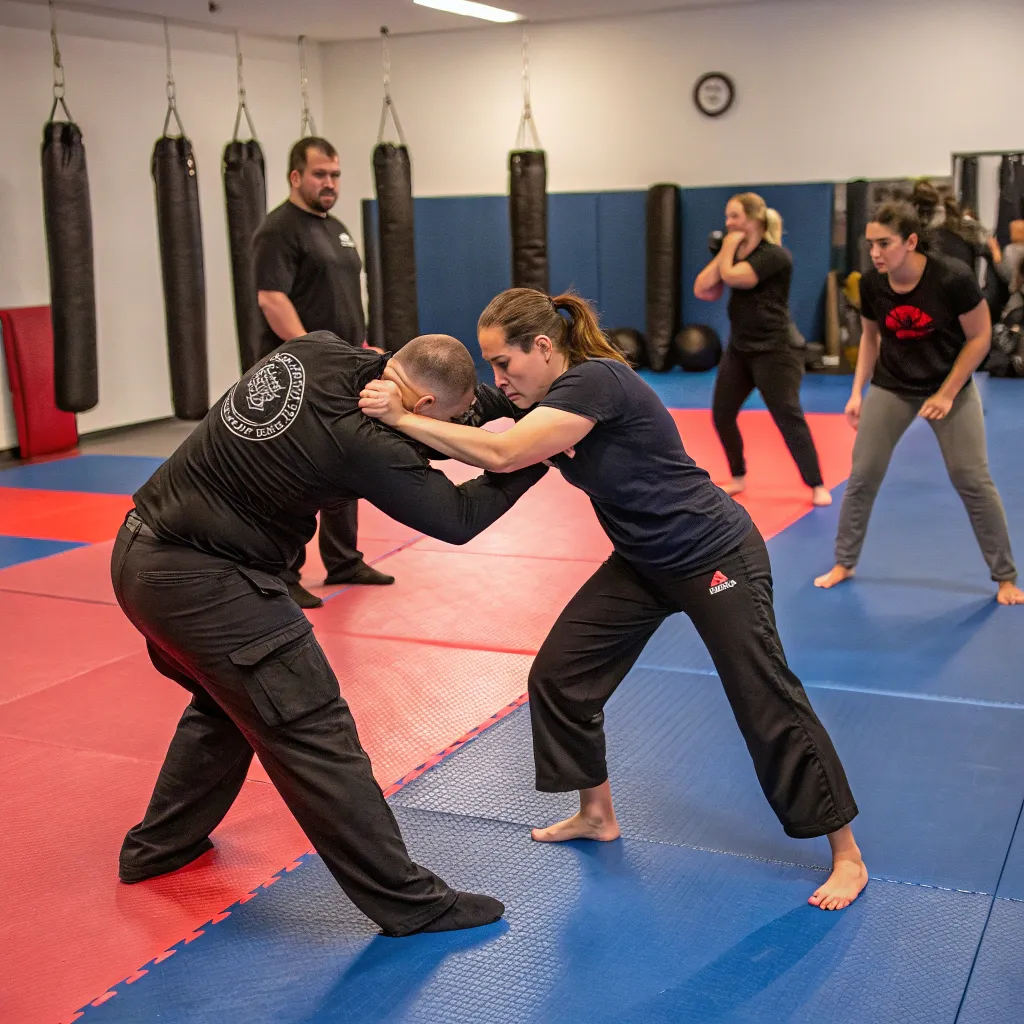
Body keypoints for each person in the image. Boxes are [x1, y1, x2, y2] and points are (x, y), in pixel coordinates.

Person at [360, 288, 868, 912]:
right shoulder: (532, 390)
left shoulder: (596, 382)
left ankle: (846, 852)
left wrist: (401, 418)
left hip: (713, 554)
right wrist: (399, 397)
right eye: (491, 365)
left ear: (543, 347)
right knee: (560, 675)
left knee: (762, 693)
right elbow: (463, 421)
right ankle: (596, 813)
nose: (498, 378)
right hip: (642, 561)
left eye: (503, 363)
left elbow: (503, 452)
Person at [112, 332, 548, 936]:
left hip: (140, 554)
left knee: (228, 704)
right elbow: (456, 517)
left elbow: (446, 412)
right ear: (419, 410)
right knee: (312, 726)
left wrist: (523, 410)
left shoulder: (319, 349)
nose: (440, 432)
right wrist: (540, 453)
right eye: (437, 422)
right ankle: (410, 903)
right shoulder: (362, 441)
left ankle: (159, 847)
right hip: (206, 581)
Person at [813, 202, 1023, 606]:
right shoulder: (873, 284)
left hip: (951, 387)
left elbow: (980, 338)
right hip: (893, 386)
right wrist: (857, 393)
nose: (875, 253)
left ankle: (1005, 577)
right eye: (870, 243)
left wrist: (946, 393)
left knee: (972, 479)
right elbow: (871, 339)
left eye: (884, 243)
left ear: (911, 242)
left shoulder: (952, 278)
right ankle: (844, 561)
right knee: (862, 475)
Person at [253, 135, 390, 609]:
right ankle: (285, 574)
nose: (329, 183)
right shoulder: (278, 230)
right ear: (296, 177)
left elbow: (344, 295)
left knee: (346, 462)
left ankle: (344, 559)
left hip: (345, 362)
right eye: (319, 174)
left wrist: (361, 346)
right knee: (298, 472)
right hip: (302, 371)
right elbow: (272, 299)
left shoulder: (336, 228)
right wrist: (310, 354)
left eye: (334, 174)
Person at [694, 193, 831, 507]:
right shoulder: (734, 253)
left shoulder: (775, 255)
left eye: (735, 217)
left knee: (787, 414)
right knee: (722, 414)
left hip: (777, 350)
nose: (728, 224)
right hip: (740, 349)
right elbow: (703, 289)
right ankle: (738, 475)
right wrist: (726, 252)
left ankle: (816, 483)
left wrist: (727, 250)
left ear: (754, 219)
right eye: (727, 217)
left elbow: (734, 277)